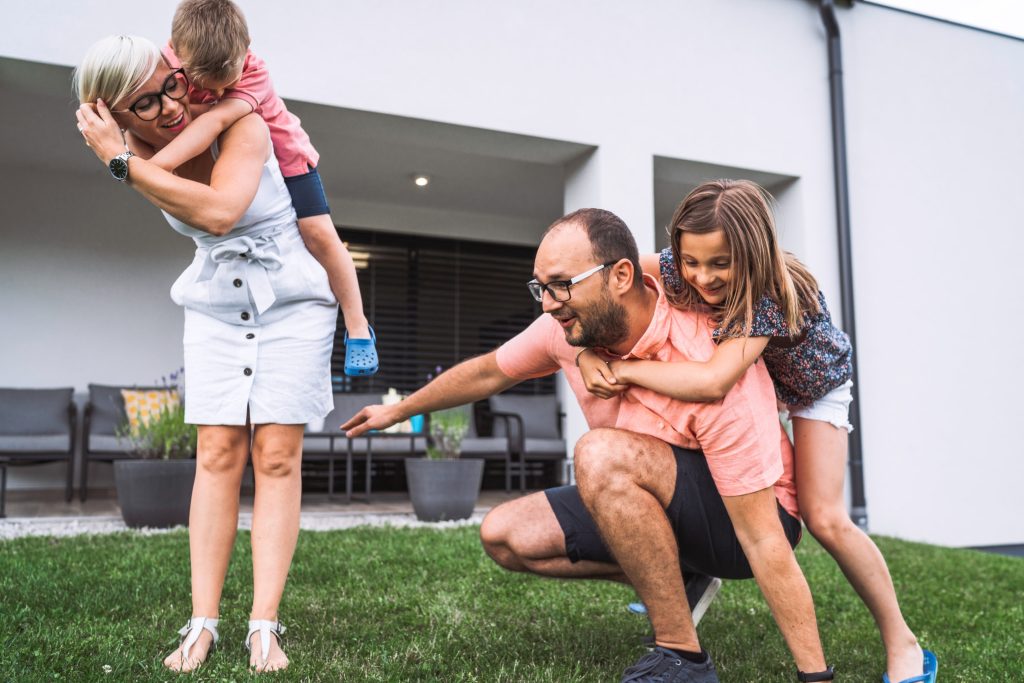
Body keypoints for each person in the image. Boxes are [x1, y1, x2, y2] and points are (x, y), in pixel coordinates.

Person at [344, 208, 835, 683]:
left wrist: (816, 676)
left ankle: (682, 656)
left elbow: (764, 541)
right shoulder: (570, 332)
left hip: (751, 522)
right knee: (505, 534)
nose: (547, 303)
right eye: (541, 287)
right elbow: (490, 371)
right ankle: (683, 579)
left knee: (600, 453)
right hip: (654, 490)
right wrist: (398, 410)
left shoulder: (710, 363)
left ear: (620, 276)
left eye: (561, 285)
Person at [577, 180, 935, 683]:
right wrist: (584, 351)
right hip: (756, 380)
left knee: (824, 517)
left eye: (720, 264)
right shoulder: (677, 264)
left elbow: (713, 381)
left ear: (752, 253)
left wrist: (623, 370)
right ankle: (695, 571)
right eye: (691, 261)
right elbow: (602, 287)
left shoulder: (768, 292)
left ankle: (903, 641)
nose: (702, 276)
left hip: (812, 387)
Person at [74, 35, 334, 672]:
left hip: (291, 300)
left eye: (170, 85)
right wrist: (126, 159)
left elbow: (219, 213)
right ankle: (202, 624)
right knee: (216, 454)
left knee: (277, 456)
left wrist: (119, 165)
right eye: (145, 103)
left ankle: (264, 626)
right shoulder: (137, 151)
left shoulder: (238, 117)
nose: (169, 106)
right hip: (217, 302)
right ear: (111, 113)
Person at [140, 0, 377, 376]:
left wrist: (147, 170)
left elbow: (212, 122)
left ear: (247, 45)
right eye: (206, 84)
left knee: (319, 234)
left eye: (227, 81)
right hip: (231, 155)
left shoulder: (254, 73)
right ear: (176, 51)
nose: (222, 89)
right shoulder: (165, 64)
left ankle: (358, 326)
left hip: (287, 156)